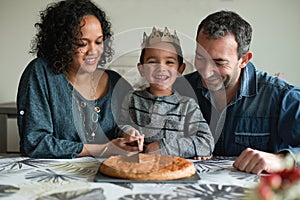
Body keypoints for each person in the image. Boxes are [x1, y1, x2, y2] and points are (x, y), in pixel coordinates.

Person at [176, 10, 300, 174]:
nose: (206, 72)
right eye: (200, 58)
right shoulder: (177, 90)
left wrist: (283, 160)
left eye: (219, 63)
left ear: (244, 60)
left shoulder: (281, 96)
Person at [16, 0, 142, 158]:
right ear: (62, 44)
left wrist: (128, 134)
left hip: (107, 173)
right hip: (55, 176)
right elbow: (35, 143)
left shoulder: (116, 82)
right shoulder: (40, 73)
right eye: (82, 43)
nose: (93, 51)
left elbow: (123, 125)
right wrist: (102, 149)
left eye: (98, 42)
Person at [116, 27, 214, 158]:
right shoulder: (131, 99)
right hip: (137, 167)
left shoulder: (187, 106)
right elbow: (119, 126)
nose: (161, 68)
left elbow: (207, 142)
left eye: (169, 62)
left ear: (180, 69)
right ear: (141, 69)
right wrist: (127, 132)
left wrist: (164, 147)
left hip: (174, 169)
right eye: (152, 62)